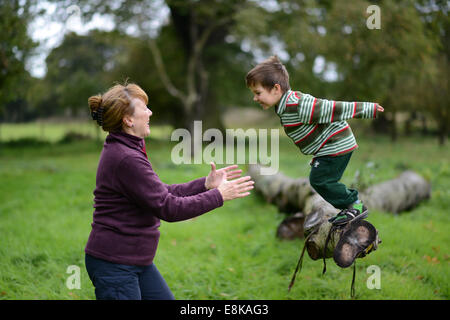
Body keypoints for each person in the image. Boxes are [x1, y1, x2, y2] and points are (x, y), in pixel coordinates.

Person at [85, 82, 254, 300]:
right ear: (128, 120)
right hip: (115, 263)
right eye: (144, 109)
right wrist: (218, 195)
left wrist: (205, 184)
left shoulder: (127, 148)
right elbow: (169, 208)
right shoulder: (126, 157)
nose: (150, 112)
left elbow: (161, 192)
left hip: (135, 260)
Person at [245, 56, 384, 226]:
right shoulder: (283, 107)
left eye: (258, 93)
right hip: (329, 146)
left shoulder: (297, 104)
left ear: (275, 89)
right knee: (321, 180)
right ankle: (349, 208)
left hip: (337, 142)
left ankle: (354, 205)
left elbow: (331, 108)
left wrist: (366, 108)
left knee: (320, 180)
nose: (255, 98)